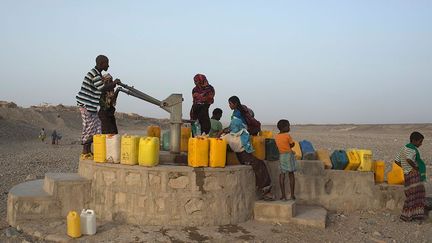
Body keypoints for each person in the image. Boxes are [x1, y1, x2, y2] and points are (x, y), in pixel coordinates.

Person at [218, 96, 274, 201]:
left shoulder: (236, 114)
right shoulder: (242, 111)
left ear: (234, 104)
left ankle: (266, 190)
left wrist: (223, 131)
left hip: (238, 143)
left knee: (257, 163)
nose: (229, 106)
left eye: (230, 103)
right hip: (240, 143)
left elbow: (235, 127)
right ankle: (266, 189)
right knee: (258, 163)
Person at [76, 55, 121, 160]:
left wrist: (115, 87)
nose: (108, 65)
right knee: (89, 127)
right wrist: (114, 84)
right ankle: (85, 152)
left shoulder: (97, 74)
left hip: (91, 106)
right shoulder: (95, 74)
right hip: (86, 104)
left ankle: (89, 150)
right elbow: (103, 88)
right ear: (101, 64)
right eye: (107, 63)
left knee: (97, 128)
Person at [395, 131, 426, 222]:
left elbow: (396, 161)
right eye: (420, 142)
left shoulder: (404, 148)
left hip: (407, 174)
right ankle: (414, 215)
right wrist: (415, 167)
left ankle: (408, 215)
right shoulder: (412, 150)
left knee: (410, 194)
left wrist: (405, 168)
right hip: (414, 175)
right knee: (418, 194)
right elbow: (409, 159)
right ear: (414, 140)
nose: (421, 144)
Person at [274, 119, 297, 201]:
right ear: (284, 127)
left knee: (282, 175)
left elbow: (277, 146)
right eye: (288, 126)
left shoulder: (276, 137)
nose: (289, 127)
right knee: (291, 174)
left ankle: (283, 196)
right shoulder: (287, 136)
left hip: (281, 156)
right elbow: (291, 144)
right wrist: (292, 145)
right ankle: (292, 195)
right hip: (288, 156)